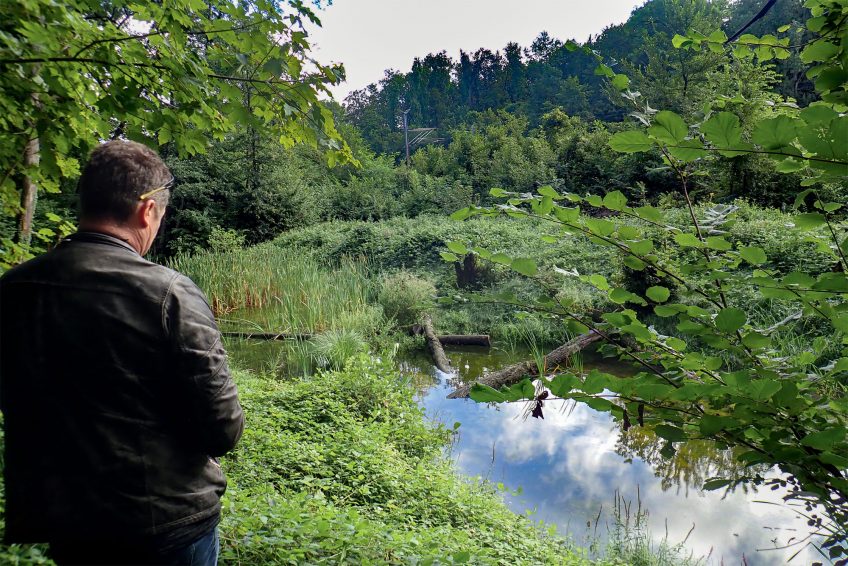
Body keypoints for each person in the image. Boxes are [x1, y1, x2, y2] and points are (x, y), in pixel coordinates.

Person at [0, 140, 244, 565]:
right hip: (166, 525)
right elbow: (223, 429)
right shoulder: (169, 293)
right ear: (146, 210)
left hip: (68, 522)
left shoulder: (14, 289)